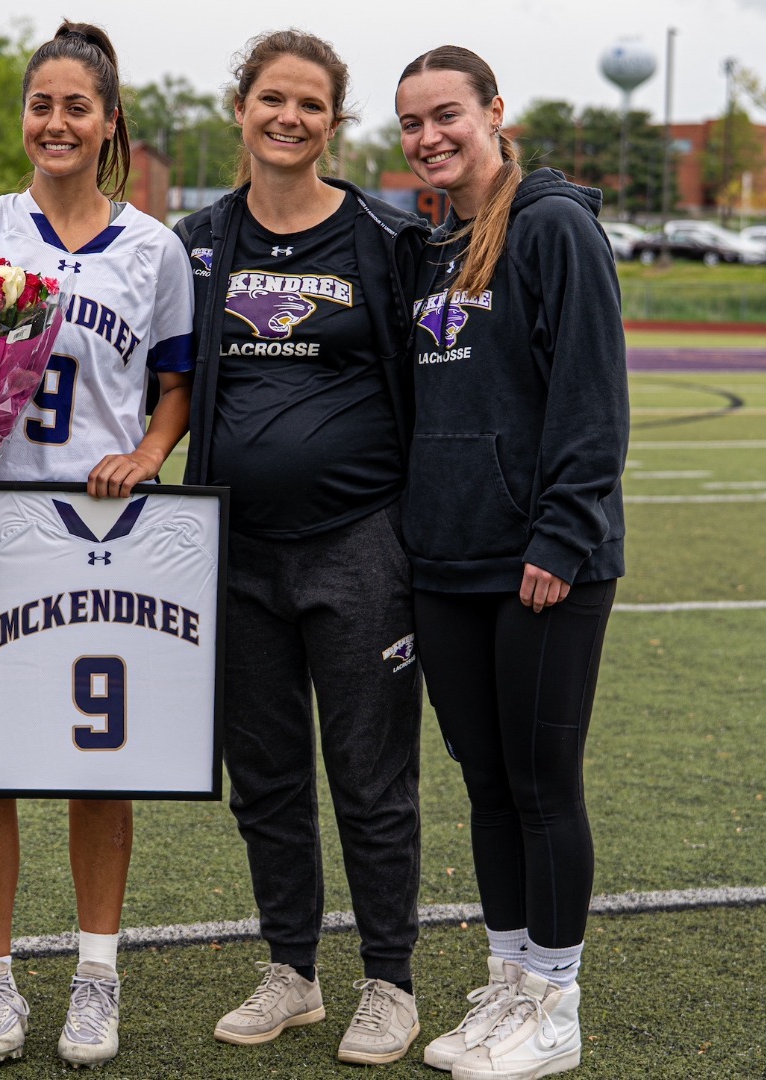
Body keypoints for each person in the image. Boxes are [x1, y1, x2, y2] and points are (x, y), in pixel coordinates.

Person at [0, 21, 194, 1068]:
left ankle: (95, 977)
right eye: (42, 103)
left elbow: (173, 389)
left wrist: (150, 451)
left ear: (108, 119)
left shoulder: (154, 248)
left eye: (76, 105)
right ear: (24, 116)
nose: (56, 121)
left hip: (101, 535)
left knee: (99, 762)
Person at [172, 29, 429, 1068]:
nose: (288, 117)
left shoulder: (384, 235)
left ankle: (389, 981)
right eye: (271, 98)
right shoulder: (195, 240)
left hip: (358, 544)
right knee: (267, 774)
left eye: (310, 105)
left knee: (371, 774)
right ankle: (293, 969)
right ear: (241, 108)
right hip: (233, 550)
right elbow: (160, 380)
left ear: (334, 121)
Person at [394, 46, 628, 1080]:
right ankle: (507, 981)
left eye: (448, 115)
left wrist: (563, 535)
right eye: (412, 124)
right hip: (446, 558)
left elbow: (590, 392)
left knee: (542, 783)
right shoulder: (435, 246)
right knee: (485, 783)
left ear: (495, 112)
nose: (431, 137)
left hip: (542, 562)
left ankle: (557, 1000)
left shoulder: (554, 226)